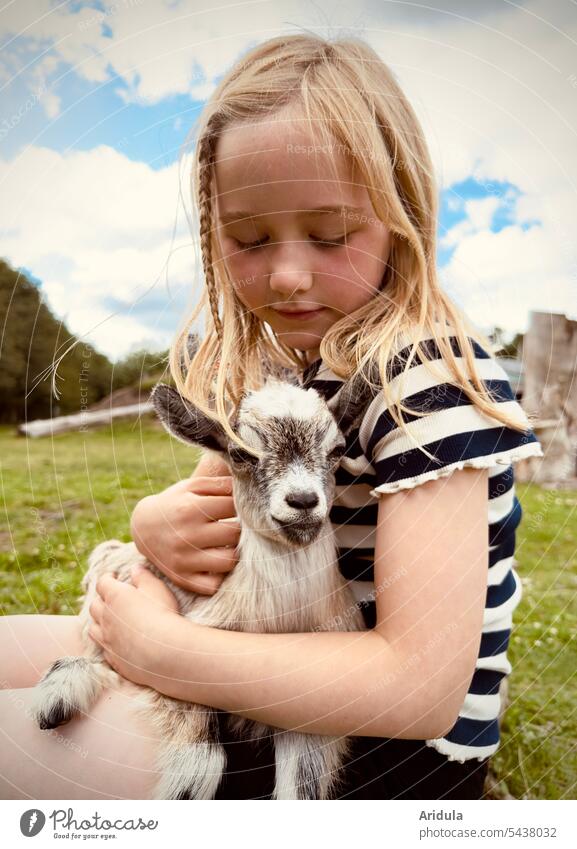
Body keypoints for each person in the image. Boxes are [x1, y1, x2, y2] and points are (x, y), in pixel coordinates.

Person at [0, 34, 543, 801]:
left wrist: (164, 652)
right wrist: (155, 523)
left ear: (401, 212)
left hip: (373, 753)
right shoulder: (286, 373)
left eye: (330, 235)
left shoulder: (425, 380)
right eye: (249, 239)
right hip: (241, 655)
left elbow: (418, 687)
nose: (287, 275)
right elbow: (209, 521)